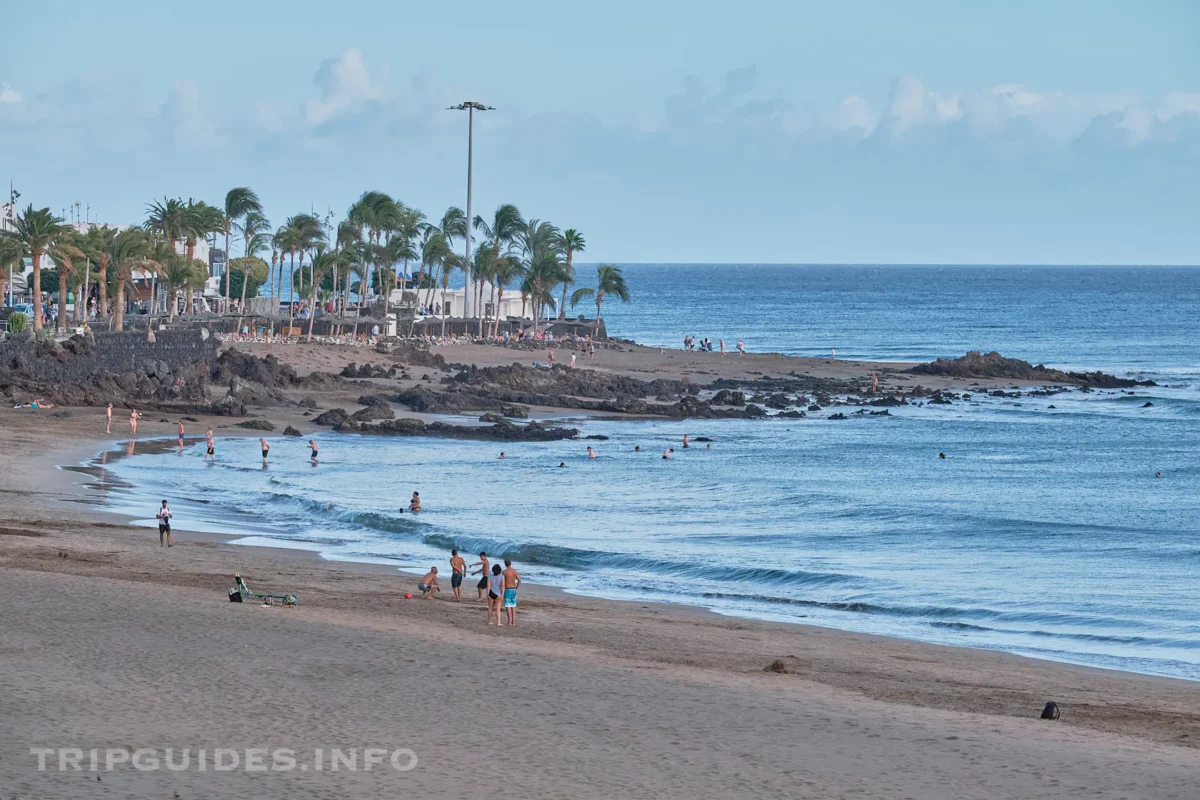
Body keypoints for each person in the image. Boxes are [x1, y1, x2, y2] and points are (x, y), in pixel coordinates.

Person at [502, 559, 521, 626]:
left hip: (507, 590)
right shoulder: (514, 571)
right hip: (513, 589)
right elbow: (519, 580)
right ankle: (513, 622)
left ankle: (509, 621)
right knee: (513, 606)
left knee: (508, 606)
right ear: (510, 563)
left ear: (505, 564)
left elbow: (503, 583)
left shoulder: (504, 572)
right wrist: (516, 587)